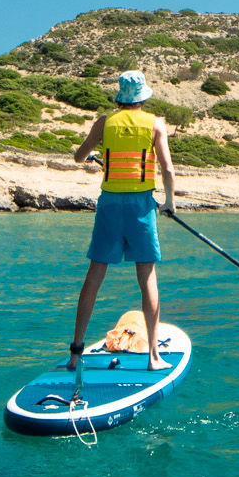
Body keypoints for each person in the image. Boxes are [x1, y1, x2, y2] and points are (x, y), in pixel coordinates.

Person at [69, 71, 176, 370]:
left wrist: (93, 155)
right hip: (142, 205)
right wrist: (169, 203)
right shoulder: (156, 123)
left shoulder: (104, 123)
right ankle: (154, 357)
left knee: (94, 277)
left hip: (110, 205)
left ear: (120, 97)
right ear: (143, 98)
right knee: (147, 279)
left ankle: (75, 354)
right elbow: (167, 169)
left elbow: (79, 156)